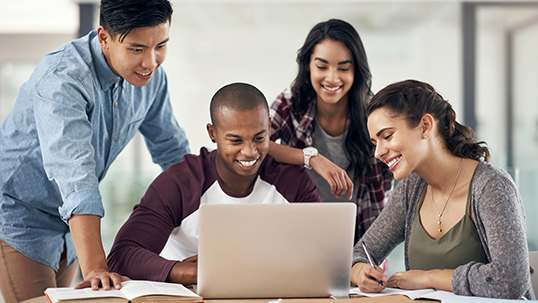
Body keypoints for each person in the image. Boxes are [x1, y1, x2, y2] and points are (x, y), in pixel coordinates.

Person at [0, 0, 190, 301]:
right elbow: (76, 175)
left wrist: (209, 218)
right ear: (104, 38)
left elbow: (173, 152)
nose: (150, 62)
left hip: (69, 225)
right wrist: (95, 268)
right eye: (137, 49)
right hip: (20, 216)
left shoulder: (150, 79)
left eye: (161, 46)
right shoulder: (63, 80)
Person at [107, 82, 321, 285]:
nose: (250, 151)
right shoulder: (179, 183)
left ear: (269, 128)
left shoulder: (293, 182)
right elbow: (122, 255)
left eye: (259, 138)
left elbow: (323, 252)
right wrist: (193, 273)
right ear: (213, 134)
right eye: (235, 140)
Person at [351, 79, 535, 300]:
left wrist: (429, 277)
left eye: (387, 136)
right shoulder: (410, 191)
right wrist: (361, 272)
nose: (378, 153)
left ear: (426, 126)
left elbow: (511, 280)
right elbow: (361, 254)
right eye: (375, 142)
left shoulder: (491, 186)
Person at [269, 19, 393, 243]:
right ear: (308, 65)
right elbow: (255, 143)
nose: (332, 78)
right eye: (322, 66)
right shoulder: (290, 102)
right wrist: (311, 158)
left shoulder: (373, 113)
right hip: (297, 233)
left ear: (356, 70)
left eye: (343, 68)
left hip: (360, 236)